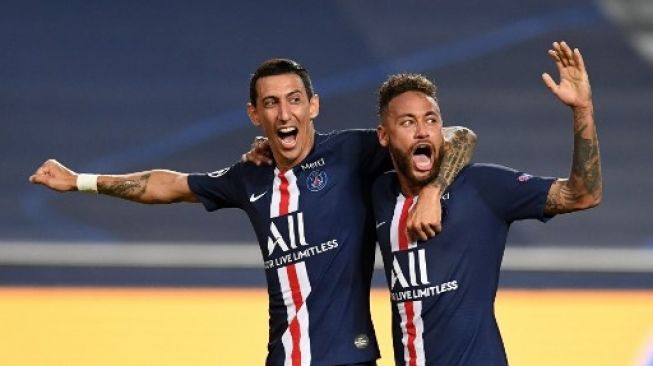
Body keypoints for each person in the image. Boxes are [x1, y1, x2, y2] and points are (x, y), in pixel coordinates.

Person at [29, 59, 477, 365]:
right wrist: (80, 181)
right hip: (281, 356)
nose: (286, 112)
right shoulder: (250, 175)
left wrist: (434, 189)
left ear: (313, 106)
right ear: (254, 114)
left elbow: (459, 135)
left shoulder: (354, 152)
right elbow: (169, 185)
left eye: (295, 99)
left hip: (349, 356)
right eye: (271, 103)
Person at [371, 41, 601, 366]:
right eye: (407, 123)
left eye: (431, 120)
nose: (422, 131)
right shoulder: (378, 194)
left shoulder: (483, 187)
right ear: (384, 136)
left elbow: (583, 194)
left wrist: (583, 110)